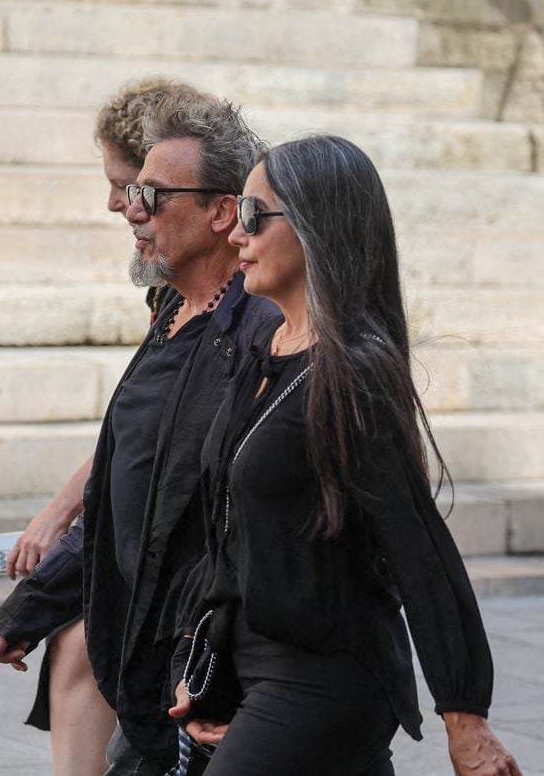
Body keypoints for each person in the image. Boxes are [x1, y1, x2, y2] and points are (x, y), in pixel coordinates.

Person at [169, 135, 522, 776]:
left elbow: (418, 547)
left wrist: (465, 719)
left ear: (314, 226)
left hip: (323, 678)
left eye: (252, 216)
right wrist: (207, 668)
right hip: (256, 670)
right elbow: (229, 533)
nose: (235, 237)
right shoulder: (264, 352)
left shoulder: (352, 373)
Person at [0, 87, 278, 775]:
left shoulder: (256, 333)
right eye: (127, 189)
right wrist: (33, 603)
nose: (128, 210)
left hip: (203, 665)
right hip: (154, 649)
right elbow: (127, 484)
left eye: (146, 192)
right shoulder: (172, 305)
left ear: (220, 211)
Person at [0, 77, 204, 776]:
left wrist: (63, 522)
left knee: (84, 637)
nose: (116, 203)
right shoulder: (170, 288)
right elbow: (135, 430)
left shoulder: (222, 299)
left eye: (128, 186)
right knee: (75, 633)